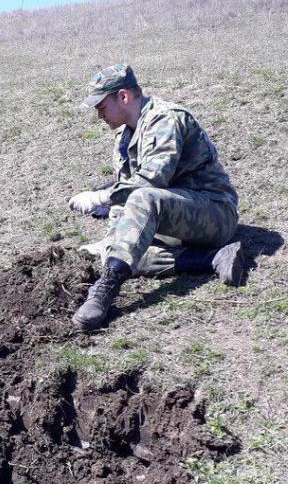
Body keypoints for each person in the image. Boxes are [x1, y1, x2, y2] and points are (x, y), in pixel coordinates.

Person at [67, 64, 242, 331]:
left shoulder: (166, 119)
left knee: (143, 200)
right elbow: (124, 193)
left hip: (213, 213)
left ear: (123, 97)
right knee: (122, 251)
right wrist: (111, 240)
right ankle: (212, 258)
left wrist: (100, 197)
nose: (99, 115)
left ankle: (104, 291)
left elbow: (149, 184)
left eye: (101, 107)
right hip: (175, 219)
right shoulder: (125, 135)